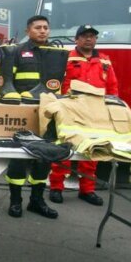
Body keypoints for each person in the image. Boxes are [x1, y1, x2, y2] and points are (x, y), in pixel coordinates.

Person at [0, 15, 64, 219]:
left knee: (44, 158)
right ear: (28, 31)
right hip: (23, 111)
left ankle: (37, 201)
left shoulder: (57, 54)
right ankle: (15, 201)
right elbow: (7, 82)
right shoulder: (17, 51)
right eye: (38, 27)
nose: (43, 31)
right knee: (19, 158)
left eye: (46, 27)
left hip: (48, 112)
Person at [49, 24, 118, 206]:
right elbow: (56, 83)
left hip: (96, 112)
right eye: (84, 36)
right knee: (63, 148)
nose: (89, 39)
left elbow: (112, 86)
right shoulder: (66, 58)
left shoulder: (104, 60)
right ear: (76, 39)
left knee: (92, 151)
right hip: (70, 110)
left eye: (92, 36)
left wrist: (112, 107)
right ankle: (56, 187)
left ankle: (87, 190)